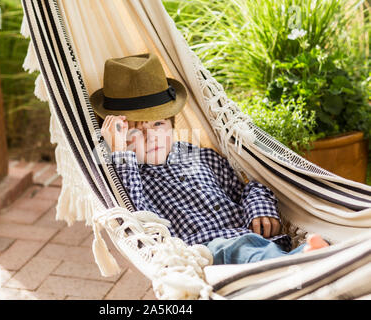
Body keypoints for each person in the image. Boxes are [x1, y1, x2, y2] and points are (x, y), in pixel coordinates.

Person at [90, 53, 329, 265]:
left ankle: (304, 262)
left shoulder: (202, 156)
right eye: (135, 130)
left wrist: (259, 209)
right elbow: (137, 220)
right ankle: (305, 263)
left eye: (158, 124)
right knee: (244, 250)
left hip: (258, 241)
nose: (151, 136)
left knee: (268, 248)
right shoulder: (129, 179)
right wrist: (120, 152)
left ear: (172, 124)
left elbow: (246, 189)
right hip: (208, 252)